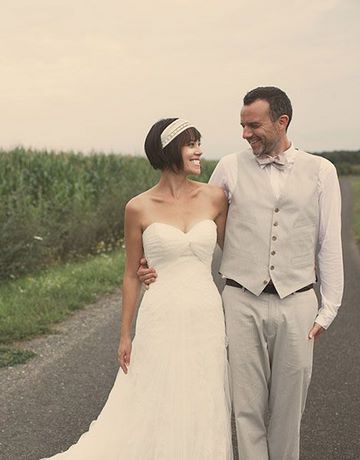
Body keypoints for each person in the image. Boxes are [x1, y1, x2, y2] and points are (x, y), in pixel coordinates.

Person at [139, 87, 344, 460]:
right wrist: (156, 257)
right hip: (239, 299)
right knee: (245, 410)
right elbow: (191, 218)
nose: (245, 134)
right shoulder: (229, 168)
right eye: (242, 126)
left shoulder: (322, 171)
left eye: (253, 125)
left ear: (281, 122)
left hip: (297, 302)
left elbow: (330, 243)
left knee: (288, 412)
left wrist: (328, 308)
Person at [43, 118, 233, 459]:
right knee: (156, 392)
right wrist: (124, 334)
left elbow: (235, 253)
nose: (199, 150)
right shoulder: (138, 207)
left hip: (206, 313)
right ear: (169, 150)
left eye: (198, 143)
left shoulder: (216, 197)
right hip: (160, 313)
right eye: (191, 144)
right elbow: (132, 274)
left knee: (202, 393)